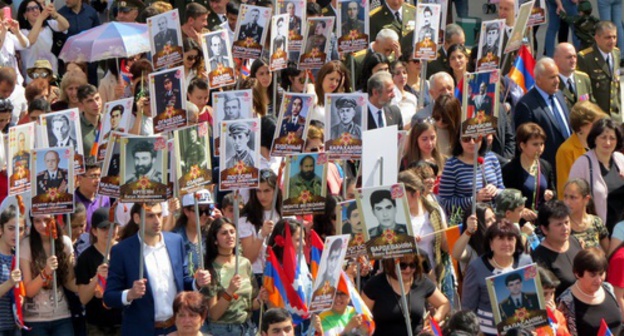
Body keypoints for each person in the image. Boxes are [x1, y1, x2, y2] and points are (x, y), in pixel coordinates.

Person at [103, 202, 211, 335]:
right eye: (150, 216)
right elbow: (109, 297)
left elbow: (183, 281)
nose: (157, 221)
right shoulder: (122, 250)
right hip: (142, 330)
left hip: (176, 328)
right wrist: (130, 294)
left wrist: (197, 283)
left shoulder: (175, 241)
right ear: (137, 218)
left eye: (159, 215)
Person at [462, 221, 533, 336]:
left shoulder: (525, 261)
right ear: (491, 243)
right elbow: (468, 309)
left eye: (510, 239)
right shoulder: (476, 268)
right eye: (500, 238)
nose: (506, 243)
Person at [362, 254, 451, 335]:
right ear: (391, 264)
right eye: (402, 265)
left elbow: (444, 303)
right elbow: (362, 316)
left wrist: (435, 321)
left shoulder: (421, 281)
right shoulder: (375, 285)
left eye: (412, 265)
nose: (408, 269)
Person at [20, 215, 78, 335]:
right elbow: (28, 291)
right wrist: (46, 271)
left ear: (55, 219)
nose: (43, 225)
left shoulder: (65, 242)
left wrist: (93, 283)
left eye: (46, 220)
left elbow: (69, 282)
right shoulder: (26, 244)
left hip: (61, 315)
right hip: (35, 319)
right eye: (37, 221)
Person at [203, 218, 261, 336]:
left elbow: (252, 304)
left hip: (248, 328)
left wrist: (261, 298)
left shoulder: (245, 263)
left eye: (232, 232)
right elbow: (213, 314)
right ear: (215, 240)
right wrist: (229, 291)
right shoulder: (211, 269)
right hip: (224, 330)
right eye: (224, 233)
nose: (230, 236)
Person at [513, 57, 572, 171]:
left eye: (557, 76)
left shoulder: (559, 95)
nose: (557, 81)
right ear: (538, 79)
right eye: (552, 77)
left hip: (569, 162)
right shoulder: (526, 105)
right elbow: (525, 140)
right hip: (547, 168)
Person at [568, 118, 624, 232]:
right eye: (603, 137)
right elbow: (571, 200)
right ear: (594, 139)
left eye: (612, 138)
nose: (608, 142)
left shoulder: (620, 159)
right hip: (598, 233)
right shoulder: (582, 164)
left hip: (620, 231)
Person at [75, 207, 122, 335]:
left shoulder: (124, 252)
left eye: (113, 226)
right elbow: (83, 298)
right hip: (97, 325)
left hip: (123, 321)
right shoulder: (85, 258)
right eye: (104, 228)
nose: (109, 231)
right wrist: (97, 278)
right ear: (94, 231)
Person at [558, 248, 622, 335]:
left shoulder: (608, 288)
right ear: (577, 273)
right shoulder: (566, 302)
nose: (599, 280)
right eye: (593, 275)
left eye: (601, 273)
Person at [439, 133, 504, 216]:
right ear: (459, 140)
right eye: (466, 139)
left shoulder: (491, 158)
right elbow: (445, 202)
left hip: (493, 217)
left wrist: (496, 191)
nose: (472, 142)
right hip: (467, 220)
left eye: (476, 138)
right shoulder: (452, 164)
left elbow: (502, 190)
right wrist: (475, 199)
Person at [532, 200, 583, 298]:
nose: (565, 228)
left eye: (567, 222)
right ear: (544, 229)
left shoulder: (574, 241)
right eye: (559, 224)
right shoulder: (539, 257)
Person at [502, 123, 556, 216]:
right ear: (522, 145)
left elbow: (554, 191)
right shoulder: (510, 169)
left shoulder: (546, 166)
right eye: (535, 144)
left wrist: (551, 194)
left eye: (542, 144)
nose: (540, 148)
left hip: (543, 220)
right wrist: (521, 211)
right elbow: (506, 201)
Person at [555, 101, 606, 198]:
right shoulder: (566, 151)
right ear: (583, 126)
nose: (601, 127)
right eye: (597, 123)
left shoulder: (598, 145)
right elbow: (564, 189)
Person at [239, 169, 282, 286]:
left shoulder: (284, 214)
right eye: (258, 191)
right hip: (258, 275)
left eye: (267, 190)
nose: (262, 196)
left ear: (276, 190)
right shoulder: (246, 218)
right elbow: (248, 257)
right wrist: (261, 235)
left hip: (281, 272)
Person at [577, 21, 620, 120]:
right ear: (597, 38)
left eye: (614, 37)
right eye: (608, 37)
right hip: (597, 117)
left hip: (615, 117)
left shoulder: (616, 53)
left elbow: (616, 89)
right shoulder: (586, 58)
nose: (612, 41)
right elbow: (584, 92)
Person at [17, 0, 69, 81]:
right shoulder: (22, 32)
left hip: (51, 73)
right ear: (24, 15)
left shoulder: (49, 24)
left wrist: (55, 14)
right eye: (30, 9)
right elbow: (30, 41)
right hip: (33, 76)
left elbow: (65, 25)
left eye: (36, 7)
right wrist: (41, 18)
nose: (35, 10)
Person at [174, 189, 214, 276]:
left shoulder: (211, 233)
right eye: (199, 210)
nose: (204, 215)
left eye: (208, 210)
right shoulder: (176, 237)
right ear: (186, 211)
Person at [563, 178, 609, 251]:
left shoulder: (596, 222)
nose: (567, 202)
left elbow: (608, 252)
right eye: (565, 196)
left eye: (573, 197)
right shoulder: (563, 224)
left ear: (586, 199)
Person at [451, 203, 497, 274]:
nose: (494, 222)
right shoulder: (471, 248)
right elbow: (456, 254)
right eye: (488, 221)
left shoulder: (499, 239)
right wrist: (468, 231)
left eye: (494, 217)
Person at [0, 205, 24, 336]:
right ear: (1, 229)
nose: (15, 234)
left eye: (20, 229)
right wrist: (10, 282)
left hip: (14, 326)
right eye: (11, 228)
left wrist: (21, 299)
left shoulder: (18, 257)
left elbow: (20, 290)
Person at [553, 43, 594, 111]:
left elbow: (591, 105)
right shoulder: (552, 81)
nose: (573, 61)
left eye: (575, 56)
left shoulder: (584, 79)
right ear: (556, 60)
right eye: (569, 57)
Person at [390, 60, 418, 128]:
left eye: (404, 72)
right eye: (397, 73)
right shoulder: (390, 97)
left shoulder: (412, 97)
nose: (402, 76)